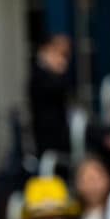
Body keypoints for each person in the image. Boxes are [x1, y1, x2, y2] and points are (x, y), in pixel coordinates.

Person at [29, 34, 73, 163]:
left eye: (65, 55)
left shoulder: (53, 74)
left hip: (61, 137)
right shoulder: (39, 74)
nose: (63, 60)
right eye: (60, 53)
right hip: (48, 140)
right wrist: (59, 69)